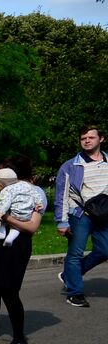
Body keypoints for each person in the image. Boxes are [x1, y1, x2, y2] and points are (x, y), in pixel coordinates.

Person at [0, 156, 47, 344]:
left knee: (9, 290)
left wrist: (7, 218)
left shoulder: (35, 193)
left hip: (17, 244)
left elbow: (32, 227)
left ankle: (19, 335)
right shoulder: (7, 191)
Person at [55, 125, 108, 308]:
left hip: (104, 215)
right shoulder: (71, 165)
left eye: (91, 137)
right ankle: (75, 293)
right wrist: (61, 221)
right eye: (83, 138)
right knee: (76, 253)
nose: (86, 140)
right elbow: (61, 195)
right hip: (80, 214)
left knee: (105, 250)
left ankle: (70, 275)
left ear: (100, 139)